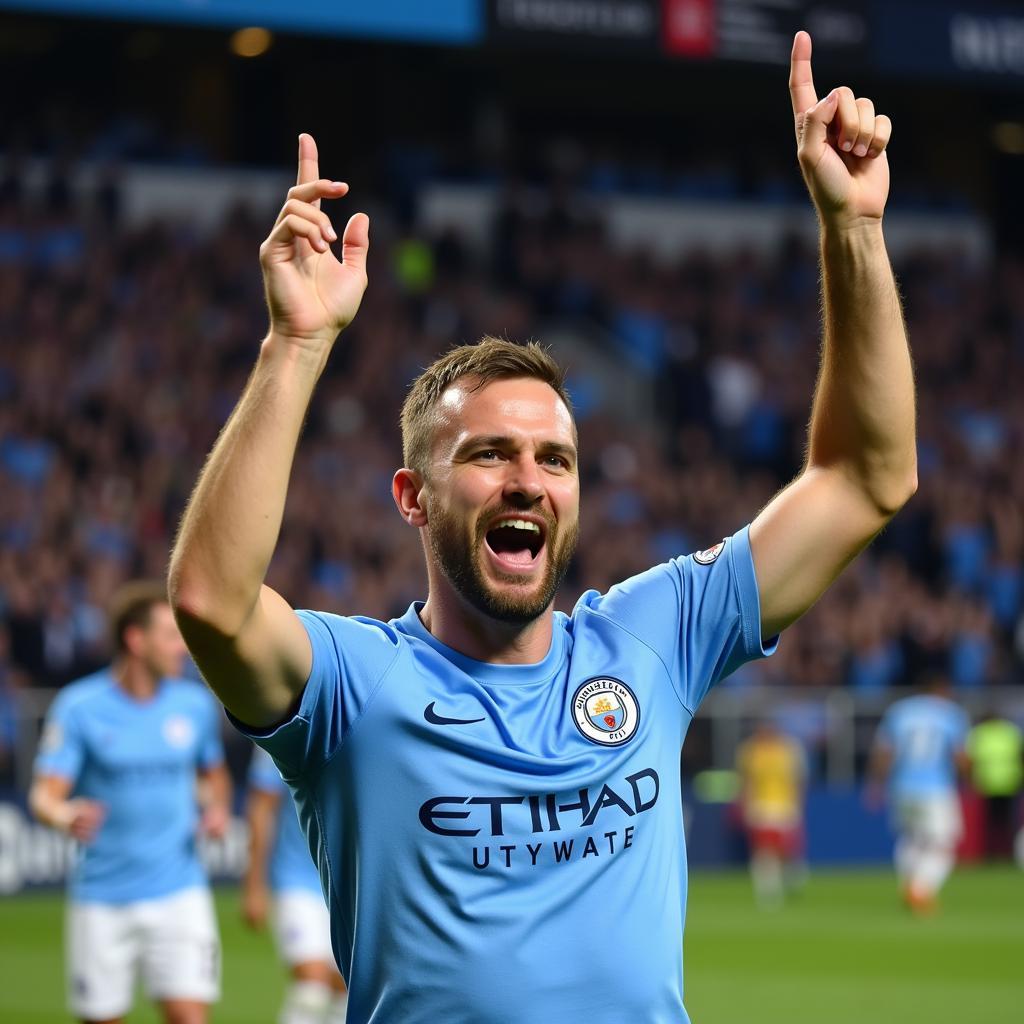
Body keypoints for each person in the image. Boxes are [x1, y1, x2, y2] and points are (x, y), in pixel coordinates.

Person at [168, 31, 916, 1023]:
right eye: (487, 455)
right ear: (412, 496)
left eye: (554, 460)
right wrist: (296, 343)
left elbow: (866, 479)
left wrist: (852, 227)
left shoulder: (652, 636)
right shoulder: (353, 686)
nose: (527, 480)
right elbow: (212, 604)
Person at [30, 581, 230, 1024]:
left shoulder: (194, 706)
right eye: (170, 636)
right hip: (103, 896)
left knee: (190, 1017)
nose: (182, 648)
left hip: (180, 891)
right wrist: (64, 814)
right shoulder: (80, 707)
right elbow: (44, 794)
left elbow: (214, 777)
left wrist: (216, 809)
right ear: (135, 640)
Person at [243, 744, 348, 1024]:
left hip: (349, 884)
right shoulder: (280, 727)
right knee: (311, 991)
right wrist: (254, 884)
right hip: (296, 878)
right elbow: (262, 807)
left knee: (346, 994)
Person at [868, 675, 970, 914]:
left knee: (910, 839)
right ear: (942, 689)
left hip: (901, 787)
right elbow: (960, 757)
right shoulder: (950, 713)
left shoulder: (900, 711)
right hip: (935, 788)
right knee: (944, 844)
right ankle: (920, 889)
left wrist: (875, 784)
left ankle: (909, 886)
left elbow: (884, 752)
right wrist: (969, 772)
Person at [735, 719, 807, 908]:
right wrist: (745, 804)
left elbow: (797, 778)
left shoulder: (789, 748)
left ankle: (791, 878)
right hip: (761, 806)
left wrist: (798, 803)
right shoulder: (750, 750)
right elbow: (746, 780)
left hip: (785, 805)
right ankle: (769, 893)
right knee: (764, 851)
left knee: (786, 851)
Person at [966, 711, 1023, 860]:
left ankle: (990, 853)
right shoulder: (1010, 731)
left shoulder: (979, 733)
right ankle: (1008, 853)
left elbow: (971, 759)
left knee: (989, 823)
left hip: (987, 782)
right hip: (1009, 781)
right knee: (1008, 822)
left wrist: (970, 779)